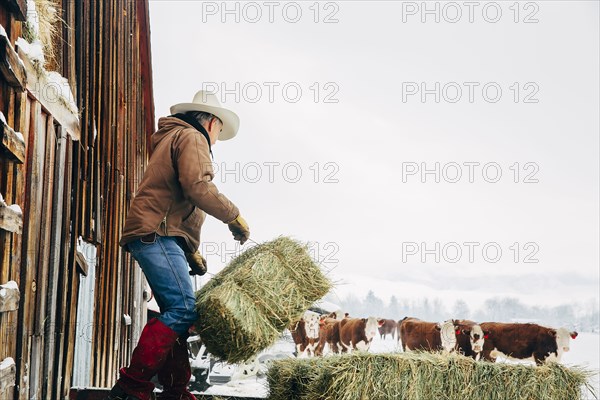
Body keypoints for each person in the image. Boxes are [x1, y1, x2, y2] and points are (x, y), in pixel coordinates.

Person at [106, 91, 250, 400]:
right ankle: (132, 387)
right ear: (211, 122)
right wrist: (233, 215)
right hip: (155, 234)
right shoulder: (192, 137)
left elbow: (174, 203)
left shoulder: (175, 136)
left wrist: (189, 251)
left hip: (158, 234)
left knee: (177, 311)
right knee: (184, 309)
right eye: (219, 131)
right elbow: (197, 186)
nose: (217, 139)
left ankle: (175, 390)